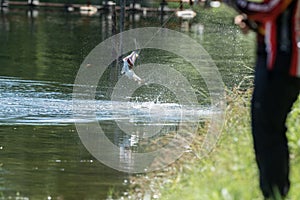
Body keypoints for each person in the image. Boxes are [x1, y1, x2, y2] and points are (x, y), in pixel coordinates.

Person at [226, 0, 300, 198]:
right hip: (271, 61)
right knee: (265, 131)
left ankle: (275, 192)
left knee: (269, 132)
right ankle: (275, 192)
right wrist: (252, 23)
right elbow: (271, 20)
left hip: (282, 64)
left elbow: (269, 10)